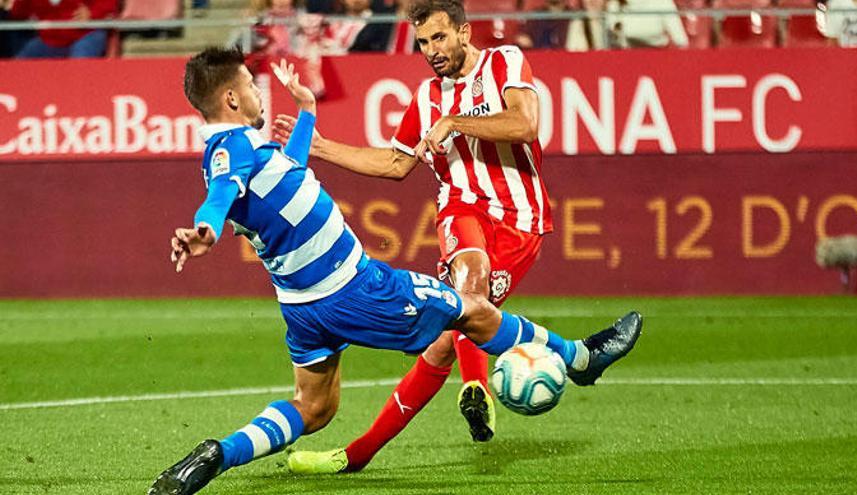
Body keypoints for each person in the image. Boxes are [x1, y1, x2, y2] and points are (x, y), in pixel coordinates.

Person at [147, 46, 642, 495]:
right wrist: (204, 232)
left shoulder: (242, 149)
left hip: (301, 307)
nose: (260, 95)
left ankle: (217, 454)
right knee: (472, 310)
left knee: (314, 408)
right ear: (231, 99)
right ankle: (579, 358)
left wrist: (308, 114)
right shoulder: (229, 150)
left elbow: (289, 172)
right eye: (253, 88)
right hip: (354, 287)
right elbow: (218, 199)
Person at [273, 0, 555, 474]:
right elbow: (396, 163)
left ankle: (356, 455)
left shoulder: (503, 62)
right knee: (470, 282)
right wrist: (321, 148)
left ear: (464, 32)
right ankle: (478, 387)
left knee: (445, 341)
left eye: (440, 38)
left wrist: (455, 123)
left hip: (521, 220)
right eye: (423, 42)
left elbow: (525, 124)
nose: (431, 50)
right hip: (462, 210)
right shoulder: (426, 97)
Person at [7, 0, 117, 59]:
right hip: (51, 39)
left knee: (78, 69)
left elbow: (109, 4)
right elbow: (18, 13)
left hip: (86, 34)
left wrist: (92, 13)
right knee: (18, 66)